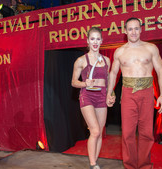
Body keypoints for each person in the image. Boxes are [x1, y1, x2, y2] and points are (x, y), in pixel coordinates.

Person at [106, 17, 162, 169]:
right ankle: (130, 166)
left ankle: (144, 165)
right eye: (130, 29)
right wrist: (109, 92)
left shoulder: (151, 48)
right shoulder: (120, 52)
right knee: (127, 133)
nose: (133, 32)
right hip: (127, 94)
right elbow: (113, 73)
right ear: (125, 31)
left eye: (136, 28)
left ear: (141, 29)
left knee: (146, 133)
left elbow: (161, 71)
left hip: (147, 92)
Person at [72, 27, 111, 169]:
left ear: (102, 41)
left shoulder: (106, 60)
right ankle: (93, 164)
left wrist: (109, 95)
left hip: (101, 96)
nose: (95, 42)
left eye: (98, 39)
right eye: (92, 39)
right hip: (87, 96)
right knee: (94, 130)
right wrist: (84, 83)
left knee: (99, 132)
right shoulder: (81, 60)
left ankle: (95, 160)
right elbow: (73, 82)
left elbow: (107, 81)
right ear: (88, 41)